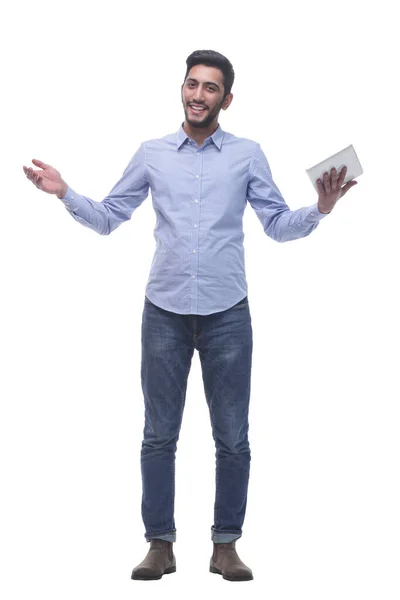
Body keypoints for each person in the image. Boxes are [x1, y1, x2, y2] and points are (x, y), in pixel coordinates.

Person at [23, 49, 358, 582]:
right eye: (191, 84)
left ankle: (225, 545)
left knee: (233, 437)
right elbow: (111, 216)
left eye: (209, 88)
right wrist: (65, 193)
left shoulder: (247, 154)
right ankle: (160, 544)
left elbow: (274, 223)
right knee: (158, 434)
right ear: (182, 88)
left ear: (227, 99)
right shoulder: (152, 153)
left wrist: (319, 209)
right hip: (165, 313)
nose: (197, 95)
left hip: (229, 313)